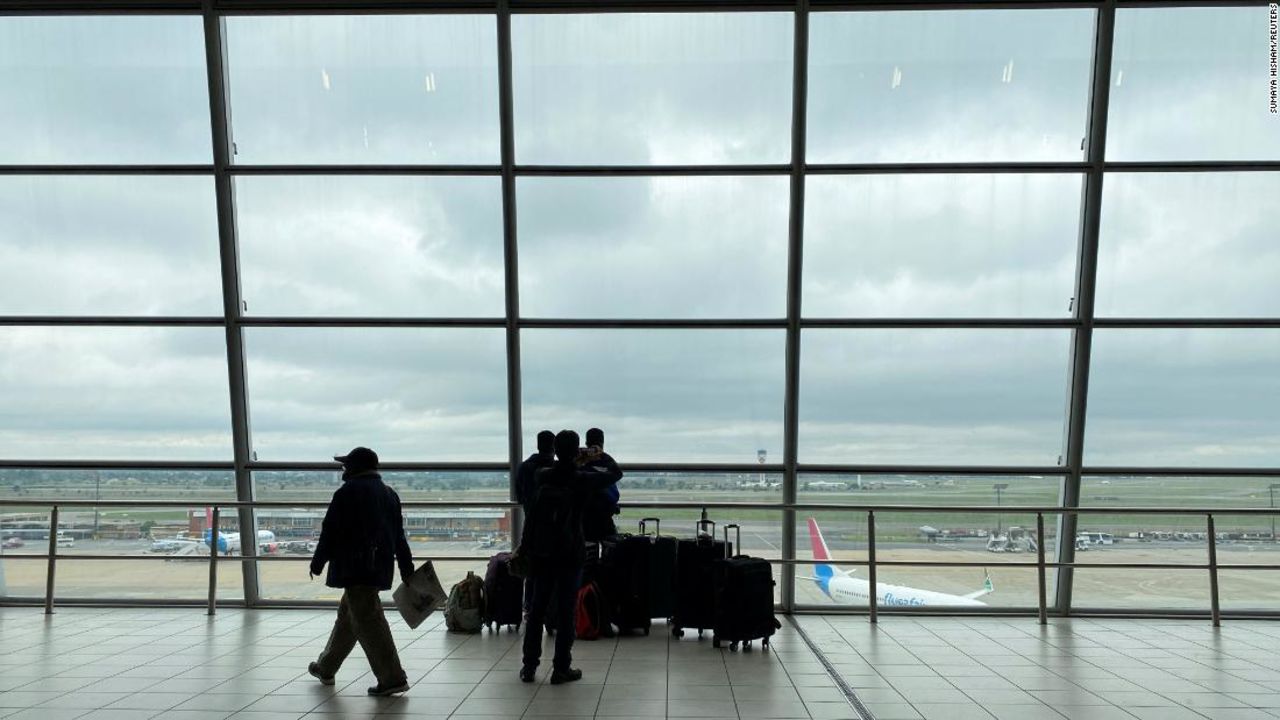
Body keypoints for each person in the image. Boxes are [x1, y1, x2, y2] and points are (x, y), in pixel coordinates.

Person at [307, 446, 414, 697]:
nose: (343, 469)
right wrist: (407, 569)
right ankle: (326, 667)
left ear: (355, 467)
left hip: (355, 568)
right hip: (379, 567)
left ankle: (392, 678)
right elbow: (399, 537)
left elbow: (329, 530)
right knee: (349, 617)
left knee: (369, 622)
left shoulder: (347, 492)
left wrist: (317, 562)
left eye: (346, 465)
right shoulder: (390, 494)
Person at [520, 430, 622, 685]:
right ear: (578, 450)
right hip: (570, 552)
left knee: (537, 610)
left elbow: (533, 509)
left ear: (554, 449)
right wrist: (598, 453)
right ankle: (561, 668)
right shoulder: (581, 479)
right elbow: (615, 473)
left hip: (542, 552)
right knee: (567, 613)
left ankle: (529, 667)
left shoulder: (541, 475)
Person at [515, 430, 556, 615]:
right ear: (554, 447)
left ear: (538, 445)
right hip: (556, 528)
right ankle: (551, 609)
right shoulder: (557, 469)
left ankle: (529, 607)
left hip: (531, 525)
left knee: (532, 570)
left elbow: (519, 496)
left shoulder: (524, 467)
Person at [581, 427, 620, 542]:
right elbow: (618, 473)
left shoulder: (581, 461)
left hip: (584, 517)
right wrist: (602, 454)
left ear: (586, 443)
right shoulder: (606, 463)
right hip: (603, 517)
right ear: (602, 444)